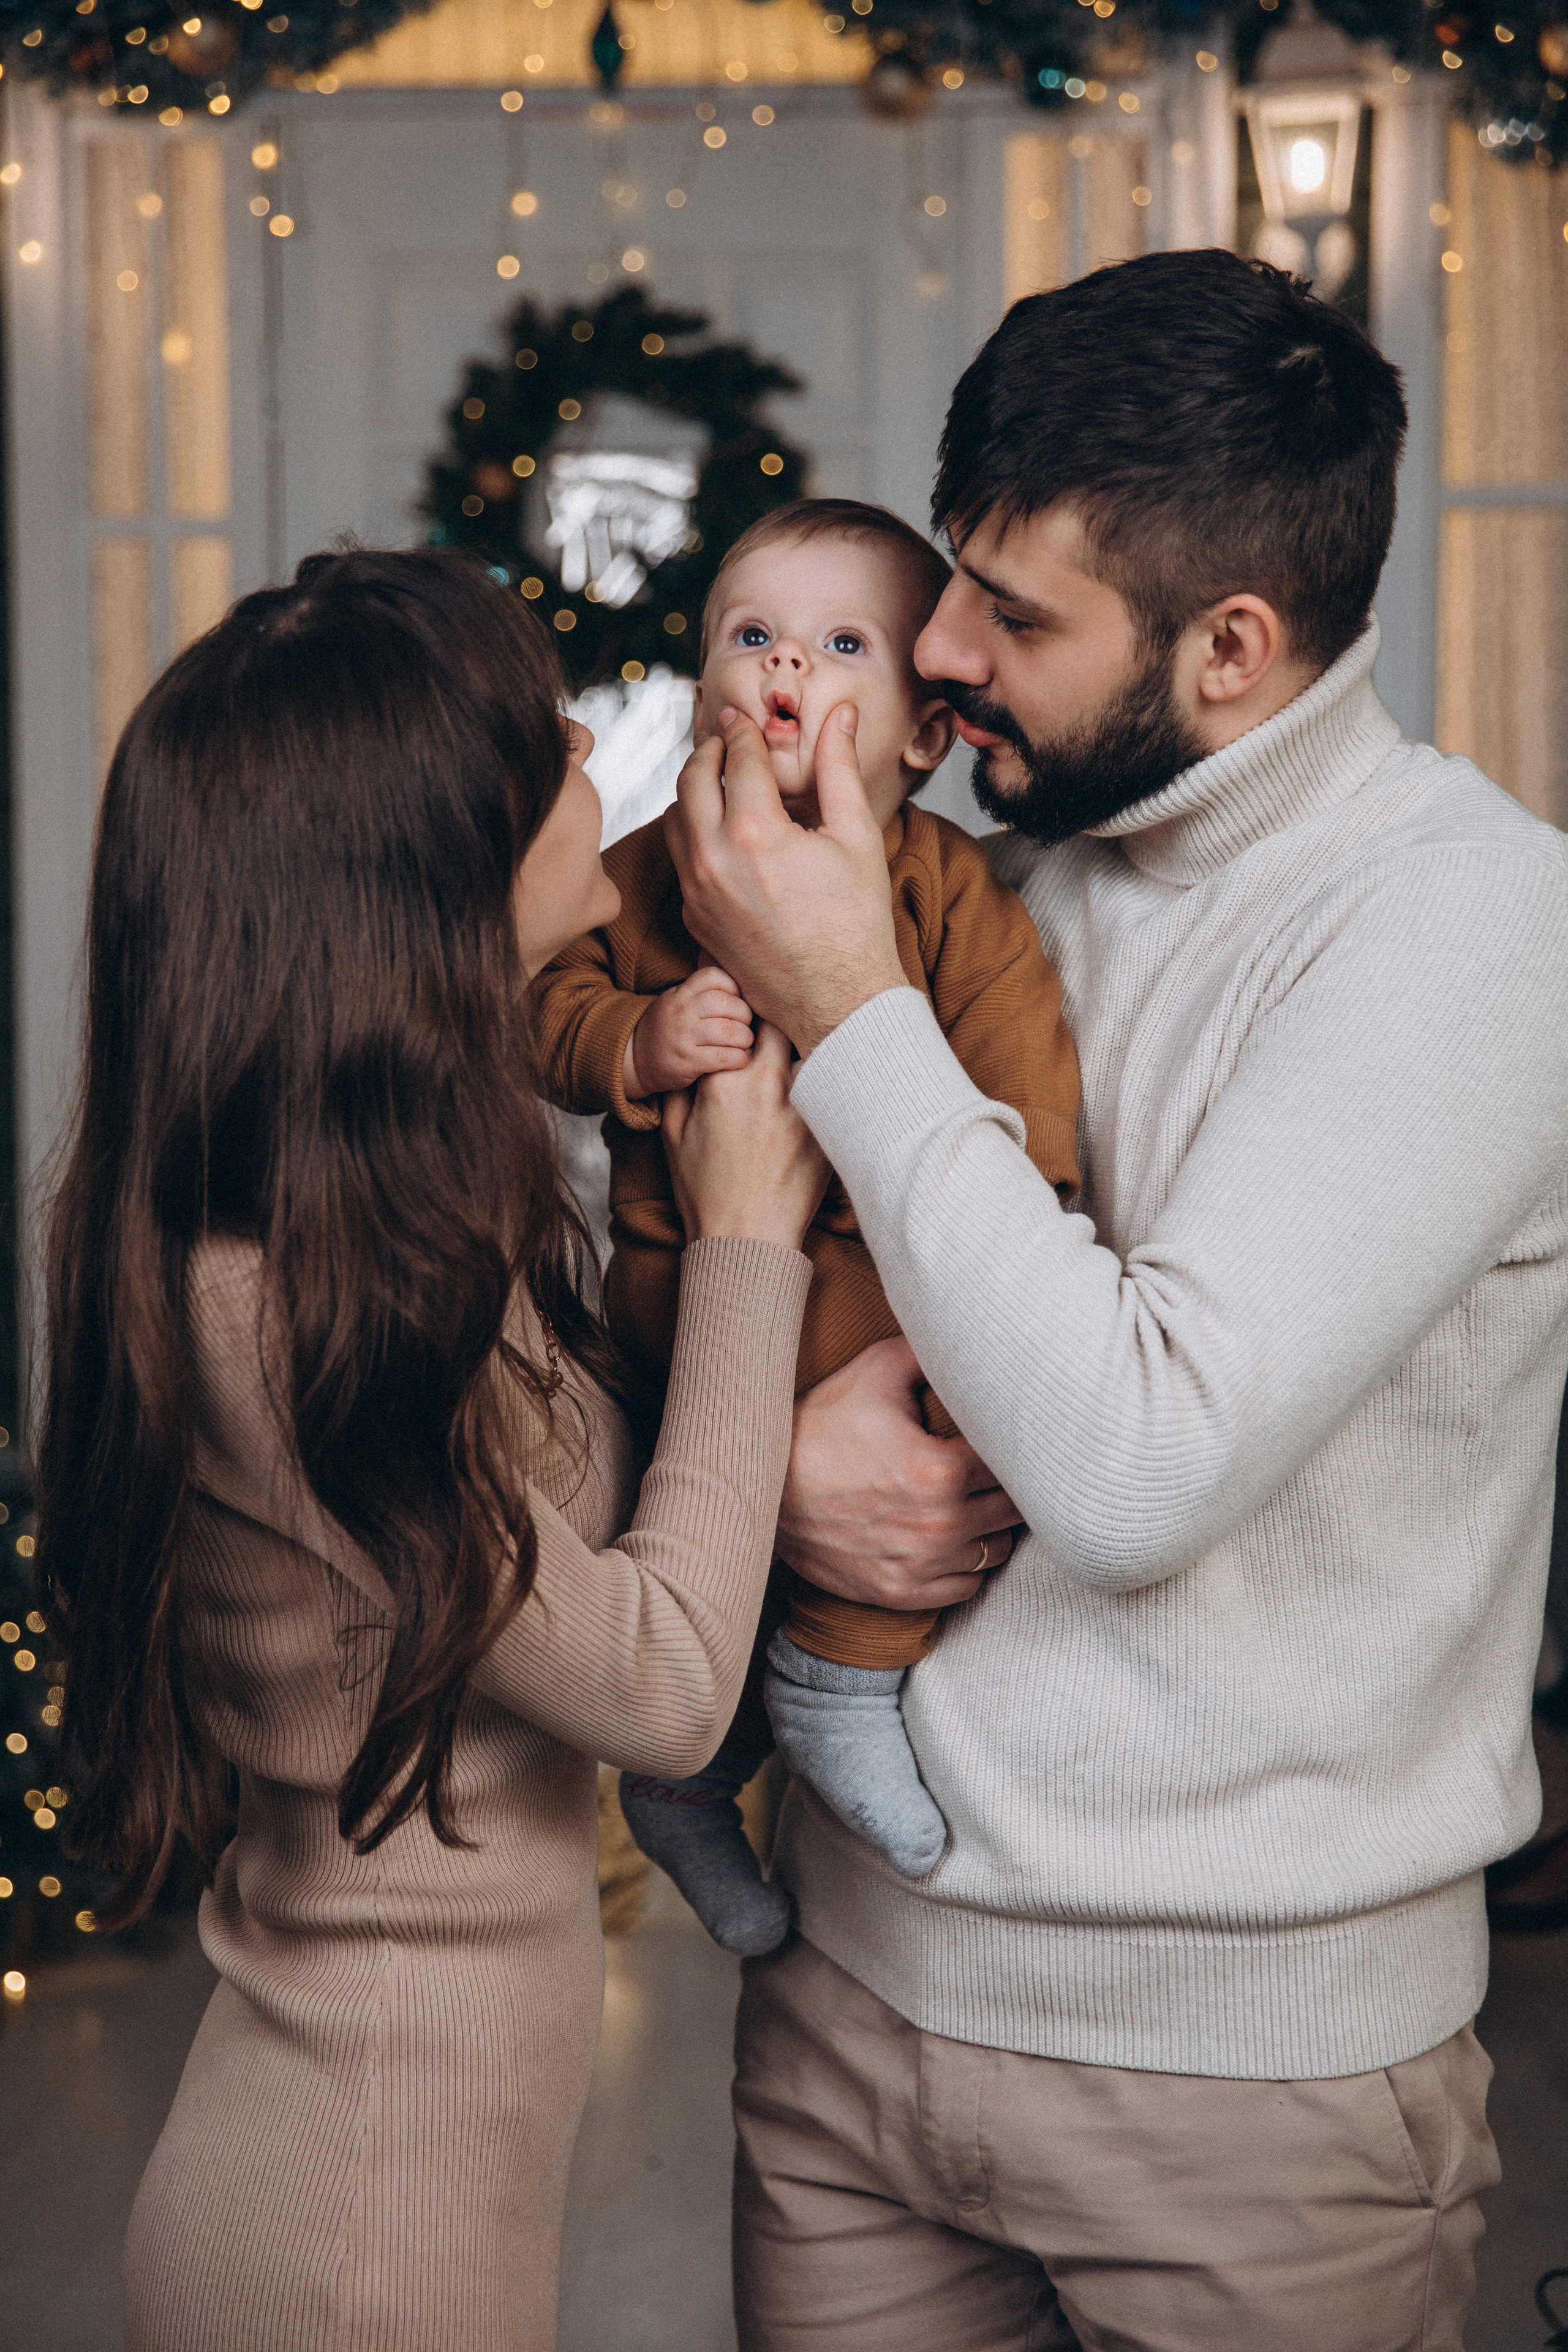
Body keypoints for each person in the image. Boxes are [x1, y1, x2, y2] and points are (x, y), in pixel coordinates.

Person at [664, 252, 1568, 2351]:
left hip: (1253, 2092)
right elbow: (710, 1245)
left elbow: (1141, 1464)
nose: (941, 655)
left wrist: (846, 1000)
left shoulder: (1474, 930)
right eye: (953, 576)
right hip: (845, 2003)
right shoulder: (985, 867)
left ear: (1232, 648)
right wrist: (756, 1470)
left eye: (1018, 615)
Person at [34, 549, 826, 2352]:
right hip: (357, 2224)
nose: (578, 741)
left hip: (381, 2155)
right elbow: (665, 1682)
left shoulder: (351, 1231)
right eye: (535, 735)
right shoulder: (282, 1313)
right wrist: (751, 1240)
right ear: (421, 866)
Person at [530, 500, 1079, 1953]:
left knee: (915, 1463)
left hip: (870, 1307)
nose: (787, 666)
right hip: (677, 1308)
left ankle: (832, 1701)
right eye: (752, 635)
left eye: (844, 645)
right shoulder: (644, 869)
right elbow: (548, 1004)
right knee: (699, 1537)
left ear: (919, 735)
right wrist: (635, 1042)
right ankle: (691, 1774)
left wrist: (1028, 1182)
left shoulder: (946, 891)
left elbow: (1015, 1047)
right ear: (704, 688)